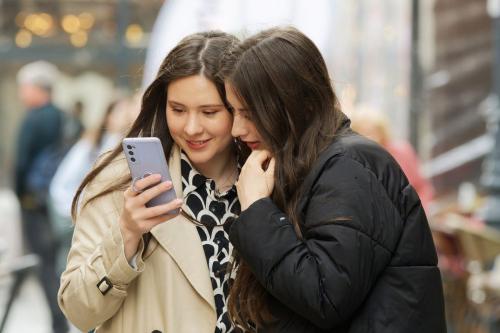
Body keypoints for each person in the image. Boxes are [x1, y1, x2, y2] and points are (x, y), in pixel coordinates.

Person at [224, 27, 447, 332]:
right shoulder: (309, 162)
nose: (236, 128)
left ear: (290, 104)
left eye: (249, 113)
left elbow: (325, 296)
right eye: (233, 112)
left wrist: (258, 210)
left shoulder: (348, 166)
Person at [58, 31, 246, 333]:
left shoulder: (267, 178)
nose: (192, 127)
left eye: (209, 112)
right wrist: (126, 234)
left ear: (239, 108)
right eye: (178, 110)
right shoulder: (121, 181)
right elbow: (79, 311)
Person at [14, 60, 69, 333]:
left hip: (35, 203)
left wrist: (19, 195)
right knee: (57, 262)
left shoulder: (34, 119)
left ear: (37, 88)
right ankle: (65, 318)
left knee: (44, 265)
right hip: (57, 201)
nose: (21, 94)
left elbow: (21, 164)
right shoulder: (63, 116)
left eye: (24, 87)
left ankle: (57, 323)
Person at [350, 106, 435, 213]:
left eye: (372, 131)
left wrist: (417, 213)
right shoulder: (350, 158)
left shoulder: (402, 151)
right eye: (361, 131)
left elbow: (423, 188)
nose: (368, 136)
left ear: (382, 131)